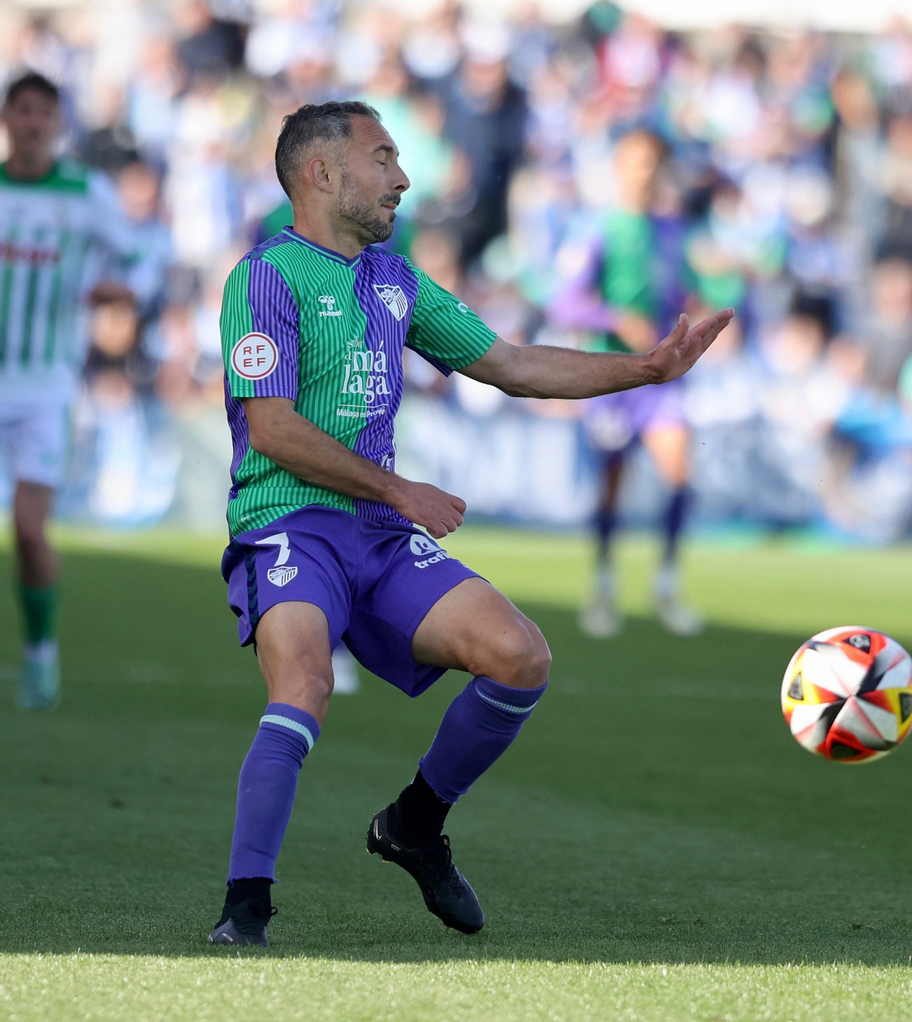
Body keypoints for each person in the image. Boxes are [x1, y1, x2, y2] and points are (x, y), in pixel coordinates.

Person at [210, 101, 729, 946]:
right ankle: (246, 907)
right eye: (383, 158)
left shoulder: (395, 280)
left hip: (376, 534)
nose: (403, 178)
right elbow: (269, 427)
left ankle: (413, 825)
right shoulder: (264, 277)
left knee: (520, 657)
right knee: (302, 682)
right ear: (323, 172)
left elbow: (511, 363)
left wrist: (646, 368)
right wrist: (398, 487)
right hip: (289, 526)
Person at [0, 72, 138, 709]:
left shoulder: (86, 193)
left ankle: (40, 654)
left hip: (45, 386)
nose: (32, 123)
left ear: (56, 123)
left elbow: (137, 258)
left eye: (43, 113)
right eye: (22, 111)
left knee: (30, 530)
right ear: (8, 117)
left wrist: (117, 292)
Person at [549, 128, 704, 639]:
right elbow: (563, 301)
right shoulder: (596, 227)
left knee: (680, 475)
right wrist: (616, 316)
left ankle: (666, 584)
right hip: (614, 376)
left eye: (651, 162)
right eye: (634, 162)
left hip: (661, 378)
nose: (643, 172)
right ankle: (604, 583)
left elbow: (684, 290)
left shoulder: (672, 229)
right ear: (618, 167)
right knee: (612, 485)